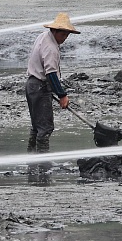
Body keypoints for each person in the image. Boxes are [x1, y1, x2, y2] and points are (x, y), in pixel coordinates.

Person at [25, 12, 80, 153]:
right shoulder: (51, 48)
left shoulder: (43, 37)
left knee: (36, 126)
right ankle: (43, 163)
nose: (65, 38)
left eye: (67, 35)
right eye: (63, 35)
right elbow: (50, 73)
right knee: (45, 128)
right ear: (54, 31)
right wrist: (62, 95)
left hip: (31, 85)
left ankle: (31, 158)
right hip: (39, 86)